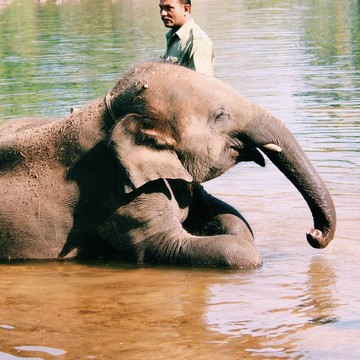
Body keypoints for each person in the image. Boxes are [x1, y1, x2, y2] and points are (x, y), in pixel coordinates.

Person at [159, 0, 215, 76]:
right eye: (161, 8)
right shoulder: (174, 36)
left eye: (168, 8)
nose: (162, 13)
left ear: (186, 9)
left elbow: (201, 84)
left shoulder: (197, 42)